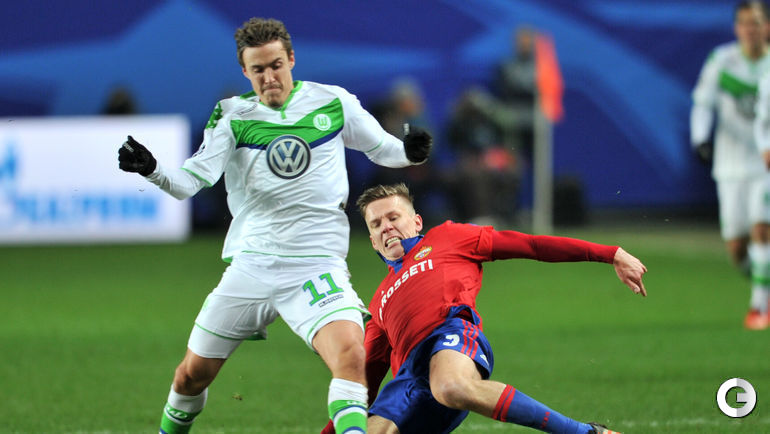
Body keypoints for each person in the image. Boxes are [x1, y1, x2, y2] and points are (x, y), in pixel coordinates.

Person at [117, 18, 432, 434]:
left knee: (352, 355)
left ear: (292, 60)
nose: (269, 77)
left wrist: (410, 152)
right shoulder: (232, 116)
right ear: (245, 71)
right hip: (253, 265)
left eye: (276, 65)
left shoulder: (332, 102)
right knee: (191, 376)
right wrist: (153, 170)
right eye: (259, 69)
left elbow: (382, 148)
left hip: (316, 265)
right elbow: (190, 181)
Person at [323, 183, 646, 434]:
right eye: (376, 223)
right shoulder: (378, 301)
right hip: (408, 380)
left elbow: (531, 245)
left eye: (393, 217)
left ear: (416, 221)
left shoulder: (448, 237)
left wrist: (610, 254)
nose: (386, 227)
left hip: (449, 336)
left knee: (450, 385)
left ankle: (586, 432)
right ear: (372, 239)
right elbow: (364, 378)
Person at [691, 0, 770, 330]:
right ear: (737, 28)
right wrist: (700, 139)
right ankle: (763, 285)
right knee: (737, 247)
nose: (751, 30)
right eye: (745, 23)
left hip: (764, 164)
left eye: (756, 23)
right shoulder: (722, 61)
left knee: (761, 230)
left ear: (767, 26)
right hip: (730, 165)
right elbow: (703, 102)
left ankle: (758, 308)